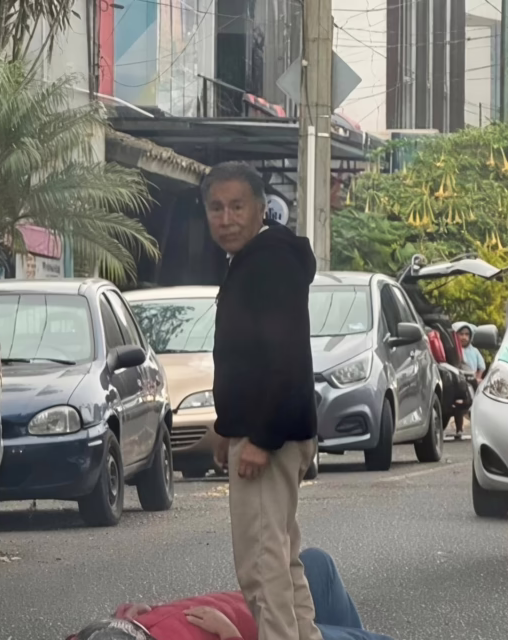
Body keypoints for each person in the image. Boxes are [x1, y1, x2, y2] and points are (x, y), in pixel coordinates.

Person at [204, 162, 320, 640]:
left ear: (260, 208)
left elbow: (284, 355)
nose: (226, 218)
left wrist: (260, 437)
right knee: (280, 559)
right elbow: (249, 359)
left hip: (268, 439)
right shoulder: (258, 260)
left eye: (237, 206)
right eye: (215, 207)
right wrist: (226, 425)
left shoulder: (267, 262)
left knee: (260, 566)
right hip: (263, 431)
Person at [72, 549, 394, 640]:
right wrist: (229, 633)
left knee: (316, 563)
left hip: (269, 599)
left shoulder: (118, 626)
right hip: (278, 630)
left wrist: (128, 614)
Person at [449, 322, 486, 441]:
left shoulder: (474, 351)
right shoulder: (453, 351)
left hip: (472, 380)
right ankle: (459, 429)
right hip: (459, 381)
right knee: (458, 405)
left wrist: (478, 377)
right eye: (461, 334)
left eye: (467, 334)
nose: (464, 337)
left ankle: (479, 429)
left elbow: (482, 366)